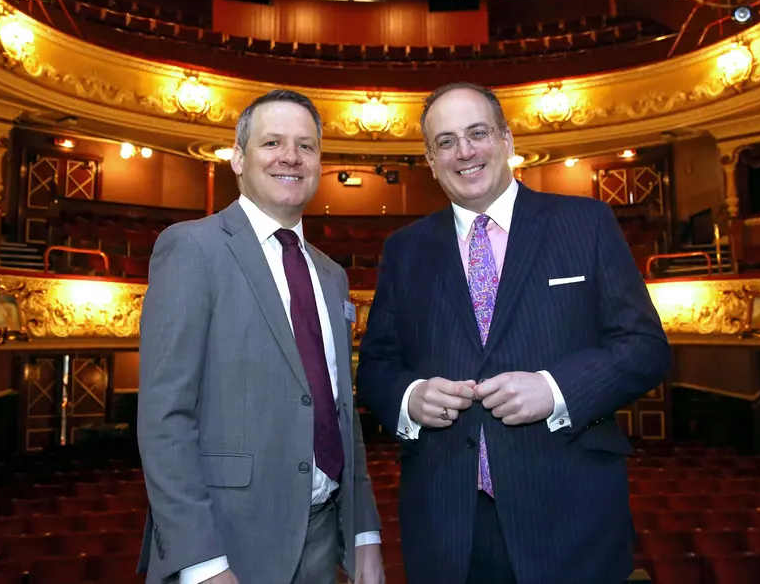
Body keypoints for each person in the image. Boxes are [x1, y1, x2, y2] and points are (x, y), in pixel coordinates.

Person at [355, 82, 671, 584]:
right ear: (431, 160)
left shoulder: (585, 222)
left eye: (478, 133)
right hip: (446, 526)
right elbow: (375, 367)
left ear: (506, 139)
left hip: (571, 515)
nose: (465, 152)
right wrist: (411, 397)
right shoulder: (404, 249)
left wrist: (556, 389)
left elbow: (646, 348)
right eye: (446, 141)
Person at [137, 89, 384, 584]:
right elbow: (165, 417)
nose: (290, 157)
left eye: (306, 146)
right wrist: (201, 563)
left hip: (323, 537)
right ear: (237, 158)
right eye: (272, 143)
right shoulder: (192, 248)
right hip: (227, 544)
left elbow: (339, 412)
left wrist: (363, 534)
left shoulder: (332, 275)